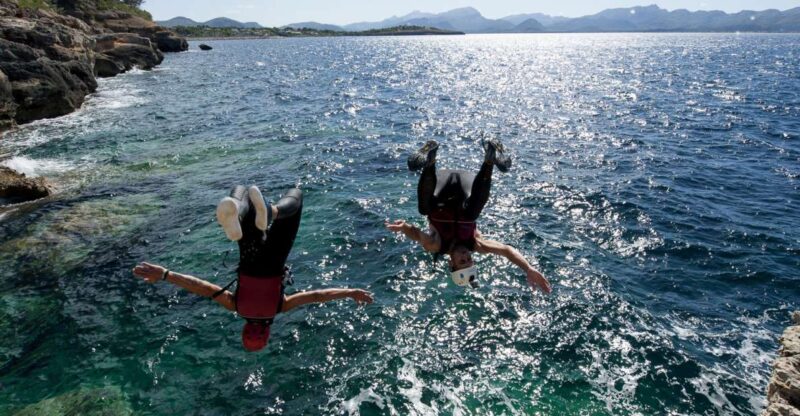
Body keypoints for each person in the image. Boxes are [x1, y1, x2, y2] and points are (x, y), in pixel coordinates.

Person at [133, 186, 373, 352]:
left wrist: (351, 292)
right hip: (248, 255)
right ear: (244, 330)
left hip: (275, 258)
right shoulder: (235, 305)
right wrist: (164, 273)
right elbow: (202, 287)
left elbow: (317, 296)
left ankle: (271, 211)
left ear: (266, 334)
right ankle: (237, 211)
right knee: (242, 191)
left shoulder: (280, 306)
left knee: (296, 198)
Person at [386, 139, 551, 293]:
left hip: (440, 186)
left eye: (461, 261)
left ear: (451, 262)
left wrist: (403, 228)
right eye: (469, 259)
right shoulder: (477, 244)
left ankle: (430, 161)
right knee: (472, 214)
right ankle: (489, 160)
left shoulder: (435, 245)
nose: (465, 255)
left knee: (424, 209)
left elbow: (414, 233)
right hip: (467, 186)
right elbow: (506, 250)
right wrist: (528, 268)